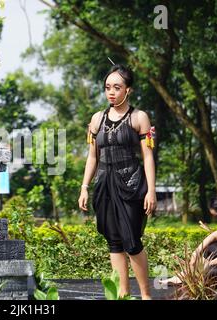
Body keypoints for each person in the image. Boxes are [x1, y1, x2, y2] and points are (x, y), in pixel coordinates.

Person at [78, 63, 157, 300]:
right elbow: (93, 156)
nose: (111, 92)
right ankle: (122, 294)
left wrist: (151, 191)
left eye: (117, 87)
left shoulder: (139, 117)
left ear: (128, 90)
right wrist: (84, 187)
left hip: (131, 185)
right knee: (114, 241)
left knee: (131, 241)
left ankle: (145, 295)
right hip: (104, 185)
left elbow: (148, 156)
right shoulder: (96, 119)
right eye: (107, 87)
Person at [159, 195, 217, 286]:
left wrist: (207, 264)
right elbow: (214, 236)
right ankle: (186, 274)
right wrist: (196, 252)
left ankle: (186, 277)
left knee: (207, 271)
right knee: (211, 246)